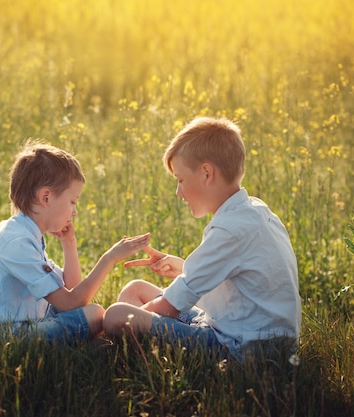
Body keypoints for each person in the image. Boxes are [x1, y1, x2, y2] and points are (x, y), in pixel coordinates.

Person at [103, 116, 302, 362]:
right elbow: (236, 281)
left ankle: (116, 354)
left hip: (238, 349)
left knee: (116, 316)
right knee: (135, 288)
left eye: (180, 180)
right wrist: (184, 268)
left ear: (207, 173)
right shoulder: (254, 211)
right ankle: (136, 357)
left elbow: (171, 306)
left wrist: (129, 320)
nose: (178, 192)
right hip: (246, 331)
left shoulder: (229, 229)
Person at [0, 141, 150, 344]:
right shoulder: (17, 242)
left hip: (7, 326)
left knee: (88, 314)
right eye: (73, 201)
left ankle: (91, 346)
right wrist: (109, 259)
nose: (74, 211)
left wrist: (69, 244)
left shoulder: (24, 232)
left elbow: (71, 290)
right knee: (94, 314)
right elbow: (70, 303)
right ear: (46, 197)